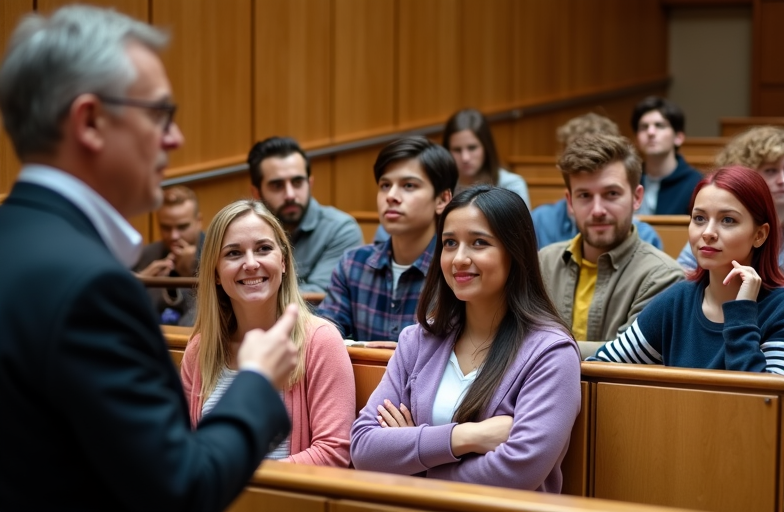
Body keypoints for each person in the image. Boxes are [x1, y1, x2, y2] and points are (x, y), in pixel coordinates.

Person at [0, 6, 298, 511]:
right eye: (160, 114)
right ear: (90, 121)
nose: (176, 139)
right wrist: (255, 382)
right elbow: (180, 490)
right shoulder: (92, 287)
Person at [350, 186, 581, 491]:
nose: (459, 258)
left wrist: (412, 462)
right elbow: (364, 448)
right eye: (449, 243)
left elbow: (518, 472)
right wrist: (467, 437)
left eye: (479, 243)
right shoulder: (418, 339)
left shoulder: (551, 352)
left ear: (515, 252)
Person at [181, 200, 355, 466]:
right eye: (234, 253)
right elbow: (185, 449)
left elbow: (334, 452)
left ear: (283, 261)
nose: (251, 264)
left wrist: (239, 476)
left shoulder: (321, 340)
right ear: (215, 272)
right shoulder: (199, 349)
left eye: (263, 249)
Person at [591, 166, 784, 374]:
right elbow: (600, 368)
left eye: (728, 220)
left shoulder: (778, 309)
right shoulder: (677, 300)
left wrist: (742, 312)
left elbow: (760, 393)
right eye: (699, 218)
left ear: (759, 235)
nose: (708, 232)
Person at [538, 134, 683, 359]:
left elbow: (627, 355)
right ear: (570, 202)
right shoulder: (542, 262)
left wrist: (539, 347)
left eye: (611, 194)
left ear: (637, 197)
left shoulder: (663, 276)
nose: (597, 210)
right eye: (584, 195)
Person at [318, 136, 457, 341]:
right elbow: (323, 337)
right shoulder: (353, 264)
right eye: (385, 185)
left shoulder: (455, 269)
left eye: (408, 185)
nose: (391, 196)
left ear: (442, 200)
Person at [248, 136, 363, 293]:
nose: (290, 195)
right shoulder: (246, 231)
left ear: (310, 184)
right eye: (277, 186)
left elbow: (319, 296)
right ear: (256, 193)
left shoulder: (340, 229)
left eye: (297, 182)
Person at [532, 112, 663, 250]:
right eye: (576, 157)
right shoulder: (541, 220)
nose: (597, 210)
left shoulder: (645, 236)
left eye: (612, 193)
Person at [677, 126, 784, 271]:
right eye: (771, 171)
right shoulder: (708, 232)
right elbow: (684, 273)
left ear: (760, 234)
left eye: (728, 220)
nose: (782, 180)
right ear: (744, 174)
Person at [134, 185, 204, 325]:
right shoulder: (146, 255)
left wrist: (192, 273)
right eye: (165, 227)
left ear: (198, 221)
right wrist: (140, 284)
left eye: (182, 227)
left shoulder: (218, 253)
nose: (174, 236)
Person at [631, 96, 703, 215]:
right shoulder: (629, 179)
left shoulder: (696, 183)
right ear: (636, 139)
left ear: (678, 137)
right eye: (644, 127)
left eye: (660, 125)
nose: (650, 132)